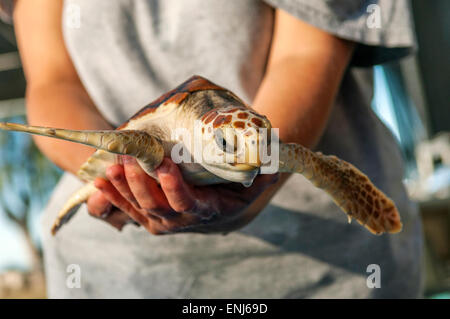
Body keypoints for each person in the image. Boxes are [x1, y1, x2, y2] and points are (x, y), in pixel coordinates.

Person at [3, 0, 423, 298]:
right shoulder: (147, 142)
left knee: (303, 159)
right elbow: (52, 81)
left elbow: (305, 53)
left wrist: (258, 177)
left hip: (327, 271)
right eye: (236, 145)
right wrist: (113, 182)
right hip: (115, 276)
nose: (253, 154)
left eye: (259, 142)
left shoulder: (262, 146)